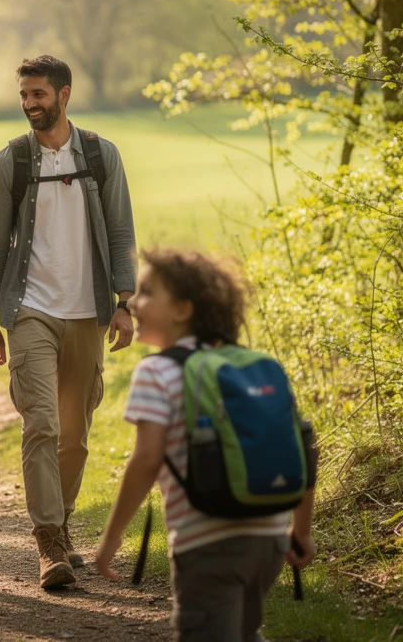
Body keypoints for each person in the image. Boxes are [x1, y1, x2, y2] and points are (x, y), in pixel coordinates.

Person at [92, 248, 316, 642]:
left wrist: (112, 537)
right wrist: (302, 531)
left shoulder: (156, 372)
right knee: (246, 633)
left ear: (182, 310)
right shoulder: (253, 364)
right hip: (269, 538)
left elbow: (146, 459)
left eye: (145, 293)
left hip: (206, 542)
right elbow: (302, 445)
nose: (134, 303)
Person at [0, 55, 137, 588]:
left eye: (38, 95)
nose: (29, 105)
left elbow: (120, 231)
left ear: (64, 94)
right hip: (30, 310)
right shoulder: (11, 162)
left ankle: (62, 524)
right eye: (24, 95)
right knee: (40, 423)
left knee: (76, 435)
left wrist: (124, 301)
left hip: (88, 309)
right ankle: (48, 541)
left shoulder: (99, 155)